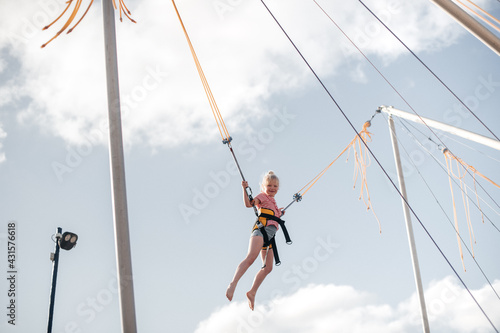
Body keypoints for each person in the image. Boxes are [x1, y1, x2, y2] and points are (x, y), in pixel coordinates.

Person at [225, 171, 284, 310]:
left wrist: (279, 213)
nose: (272, 188)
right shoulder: (262, 196)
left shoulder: (274, 203)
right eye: (269, 185)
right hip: (260, 231)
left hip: (270, 237)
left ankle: (252, 292)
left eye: (275, 186)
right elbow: (249, 204)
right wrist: (244, 189)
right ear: (263, 186)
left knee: (268, 268)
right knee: (251, 257)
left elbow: (274, 214)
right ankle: (233, 284)